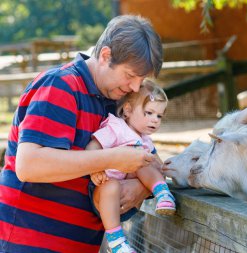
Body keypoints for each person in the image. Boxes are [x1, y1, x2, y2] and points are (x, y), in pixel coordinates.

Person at [0, 15, 163, 253]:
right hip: (29, 244)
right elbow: (29, 165)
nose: (136, 88)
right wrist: (113, 158)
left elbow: (152, 161)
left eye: (142, 80)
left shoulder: (114, 103)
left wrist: (143, 187)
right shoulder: (60, 86)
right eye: (130, 76)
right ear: (106, 56)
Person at [88, 79, 175, 253]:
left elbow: (157, 165)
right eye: (149, 112)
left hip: (129, 193)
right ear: (127, 110)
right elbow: (92, 147)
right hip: (106, 191)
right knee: (112, 184)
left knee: (144, 161)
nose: (155, 120)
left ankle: (163, 193)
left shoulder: (145, 141)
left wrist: (162, 169)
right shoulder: (116, 127)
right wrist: (95, 169)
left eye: (159, 116)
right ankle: (116, 242)